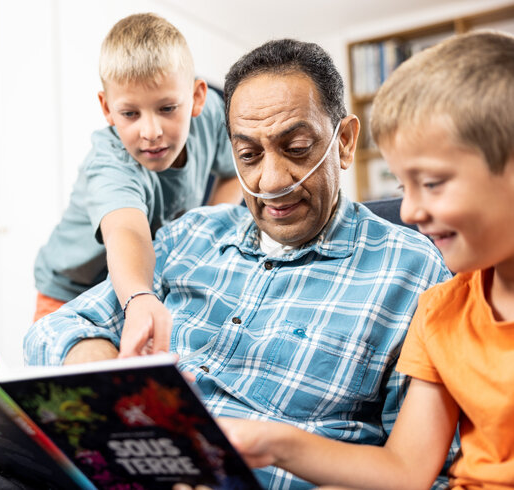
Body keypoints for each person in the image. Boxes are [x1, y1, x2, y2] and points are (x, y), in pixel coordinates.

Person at [24, 38, 455, 488]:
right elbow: (55, 329)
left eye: (298, 147)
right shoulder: (191, 235)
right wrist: (116, 385)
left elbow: (430, 472)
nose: (271, 181)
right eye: (249, 155)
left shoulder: (412, 271)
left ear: (344, 142)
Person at [215, 31, 514, 489]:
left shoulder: (418, 280)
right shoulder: (441, 311)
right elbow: (406, 470)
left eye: (432, 183)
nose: (411, 212)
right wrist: (275, 444)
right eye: (402, 188)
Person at [32, 12, 242, 358]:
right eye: (130, 113)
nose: (151, 131)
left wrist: (204, 224)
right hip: (71, 290)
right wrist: (139, 297)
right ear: (107, 109)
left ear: (197, 97)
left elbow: (233, 171)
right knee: (77, 393)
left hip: (139, 283)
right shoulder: (110, 160)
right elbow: (126, 232)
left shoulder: (211, 117)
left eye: (167, 108)